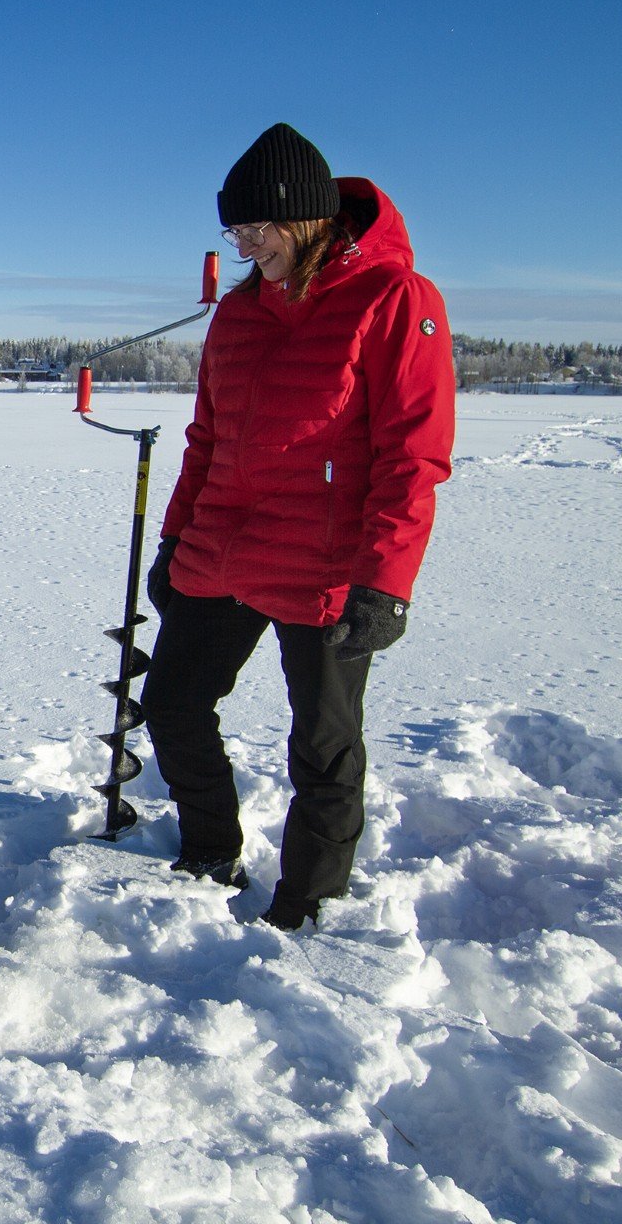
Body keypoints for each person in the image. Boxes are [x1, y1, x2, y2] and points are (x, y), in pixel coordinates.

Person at [141, 122, 455, 932]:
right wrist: (177, 539)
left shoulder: (395, 299)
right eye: (233, 231)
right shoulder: (239, 315)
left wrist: (385, 581)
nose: (244, 247)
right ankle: (210, 850)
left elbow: (412, 454)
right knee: (173, 706)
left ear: (307, 217)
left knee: (322, 744)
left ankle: (309, 902)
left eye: (257, 229)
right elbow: (206, 439)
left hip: (328, 564)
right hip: (224, 546)